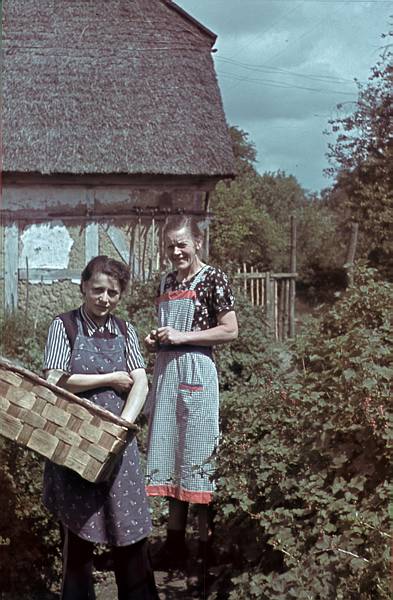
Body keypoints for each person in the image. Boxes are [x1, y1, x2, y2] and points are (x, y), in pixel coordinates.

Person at [42, 255, 159, 600]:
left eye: (113, 292)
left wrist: (123, 426)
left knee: (130, 532)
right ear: (83, 287)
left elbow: (140, 382)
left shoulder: (126, 331)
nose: (104, 299)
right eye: (97, 290)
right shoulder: (64, 326)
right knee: (78, 536)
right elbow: (54, 379)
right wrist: (109, 378)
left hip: (118, 446)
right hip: (77, 444)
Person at [144, 215, 238, 570]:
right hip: (168, 371)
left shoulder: (214, 278)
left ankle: (205, 546)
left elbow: (229, 331)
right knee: (170, 450)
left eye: (182, 243)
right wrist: (156, 340)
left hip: (198, 371)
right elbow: (170, 328)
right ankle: (174, 544)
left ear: (197, 242)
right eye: (170, 245)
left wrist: (182, 337)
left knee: (199, 455)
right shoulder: (167, 280)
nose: (176, 251)